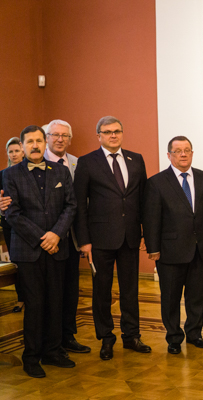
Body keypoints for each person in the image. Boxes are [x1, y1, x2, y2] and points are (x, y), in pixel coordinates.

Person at [73, 116, 150, 361]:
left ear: (122, 133)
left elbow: (144, 200)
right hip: (99, 239)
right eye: (107, 132)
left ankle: (132, 336)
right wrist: (84, 240)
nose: (113, 135)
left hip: (130, 237)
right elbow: (79, 205)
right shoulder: (87, 162)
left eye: (117, 131)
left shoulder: (136, 159)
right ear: (99, 136)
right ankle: (106, 338)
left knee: (130, 291)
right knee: (102, 292)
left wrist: (147, 234)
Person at [3, 125, 77, 378]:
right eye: (29, 142)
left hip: (57, 248)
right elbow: (12, 213)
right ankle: (31, 357)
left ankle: (53, 352)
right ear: (22, 146)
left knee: (56, 302)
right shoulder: (10, 174)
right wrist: (42, 238)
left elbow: (71, 206)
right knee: (34, 305)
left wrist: (56, 234)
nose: (35, 145)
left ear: (45, 144)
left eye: (38, 141)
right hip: (28, 250)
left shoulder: (61, 171)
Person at [143, 136, 203, 355]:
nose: (183, 154)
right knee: (170, 298)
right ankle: (174, 337)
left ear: (192, 153)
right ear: (169, 155)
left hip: (198, 249)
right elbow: (151, 218)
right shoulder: (156, 182)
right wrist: (153, 248)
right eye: (178, 151)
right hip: (169, 251)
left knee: (196, 296)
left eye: (187, 150)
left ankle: (195, 334)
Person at [43, 120, 91, 355]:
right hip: (46, 241)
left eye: (65, 136)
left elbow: (81, 203)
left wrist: (84, 238)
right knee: (50, 293)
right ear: (47, 138)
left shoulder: (77, 163)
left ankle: (68, 336)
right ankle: (50, 341)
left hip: (71, 239)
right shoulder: (35, 162)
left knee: (71, 291)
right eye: (55, 135)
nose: (60, 139)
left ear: (70, 140)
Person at [1, 137, 25, 312]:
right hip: (9, 224)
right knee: (16, 262)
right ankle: (21, 298)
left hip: (28, 222)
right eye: (11, 151)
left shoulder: (29, 173)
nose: (14, 154)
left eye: (17, 151)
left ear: (23, 152)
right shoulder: (2, 174)